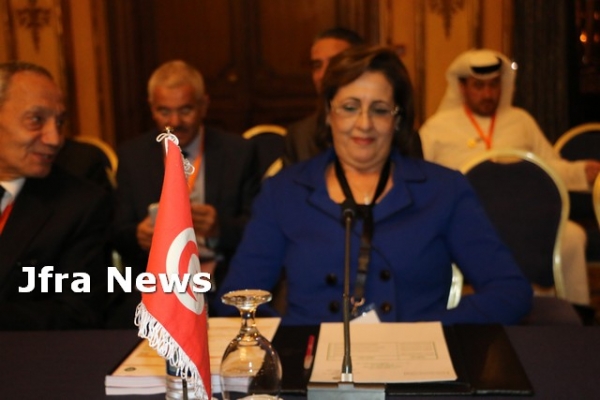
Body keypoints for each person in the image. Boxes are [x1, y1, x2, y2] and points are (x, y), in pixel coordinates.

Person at [215, 46, 533, 325]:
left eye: (380, 110)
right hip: (311, 363)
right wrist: (291, 346)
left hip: (415, 365)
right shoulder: (284, 192)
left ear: (397, 120)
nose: (364, 124)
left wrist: (431, 332)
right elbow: (236, 298)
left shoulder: (444, 190)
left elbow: (510, 292)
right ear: (328, 114)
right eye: (350, 107)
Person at [419, 49, 600, 306]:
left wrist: (582, 172)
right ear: (462, 87)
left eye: (494, 85)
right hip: (465, 222)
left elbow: (548, 167)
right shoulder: (437, 128)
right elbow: (420, 177)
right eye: (478, 86)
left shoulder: (521, 121)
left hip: (527, 216)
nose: (488, 94)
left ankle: (574, 312)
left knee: (572, 237)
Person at [112, 60, 260, 325]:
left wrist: (219, 229)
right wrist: (138, 235)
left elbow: (259, 230)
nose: (175, 122)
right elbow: (116, 232)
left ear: (204, 105)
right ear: (151, 108)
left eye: (185, 110)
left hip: (219, 280)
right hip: (158, 283)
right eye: (164, 111)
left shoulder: (238, 153)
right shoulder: (132, 156)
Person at [0, 61, 112, 330]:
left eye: (60, 122)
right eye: (36, 120)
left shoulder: (79, 205)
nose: (55, 139)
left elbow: (77, 312)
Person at [282, 27, 365, 166]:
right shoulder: (299, 136)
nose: (323, 75)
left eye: (335, 63)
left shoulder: (384, 127)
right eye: (317, 65)